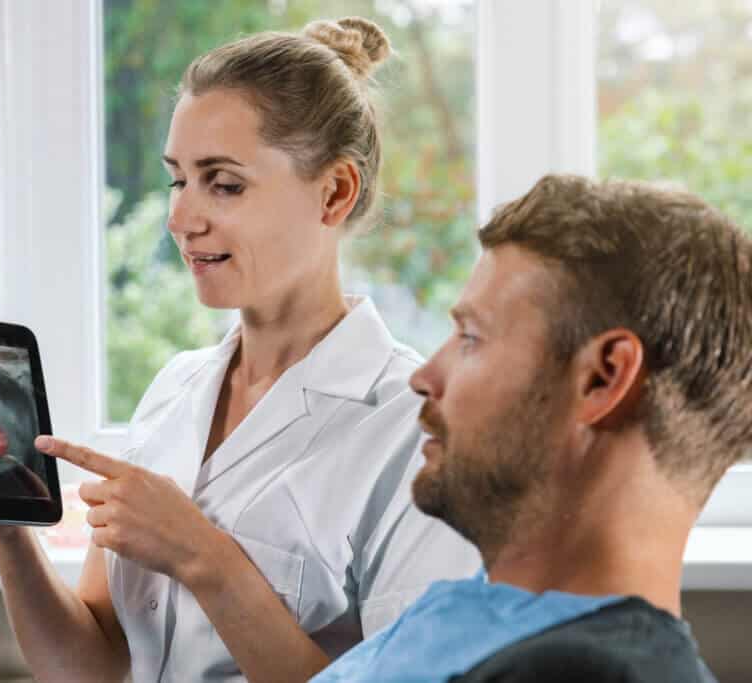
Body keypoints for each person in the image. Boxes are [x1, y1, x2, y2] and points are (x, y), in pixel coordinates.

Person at [0, 17, 480, 683]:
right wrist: (9, 528)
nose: (180, 217)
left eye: (223, 183)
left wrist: (203, 557)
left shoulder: (413, 429)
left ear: (334, 192)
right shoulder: (176, 389)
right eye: (178, 180)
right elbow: (94, 666)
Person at [311, 174, 751, 682]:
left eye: (471, 338)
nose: (424, 376)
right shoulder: (473, 618)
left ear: (602, 378)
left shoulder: (587, 674)